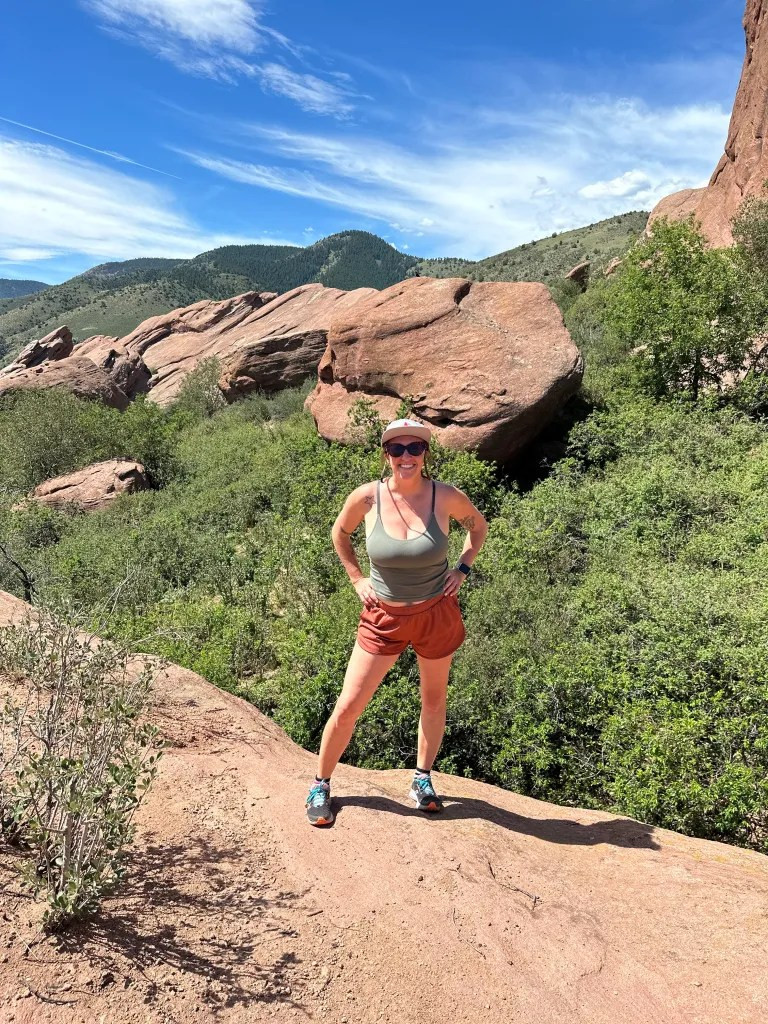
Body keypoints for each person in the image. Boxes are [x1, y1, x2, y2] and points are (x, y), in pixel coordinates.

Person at [306, 417, 489, 826]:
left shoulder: (445, 497)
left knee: (434, 699)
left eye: (415, 448)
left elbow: (478, 527)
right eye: (396, 449)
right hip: (383, 616)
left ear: (426, 454)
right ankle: (321, 783)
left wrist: (462, 568)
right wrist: (356, 578)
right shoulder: (367, 498)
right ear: (386, 455)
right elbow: (340, 533)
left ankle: (422, 779)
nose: (406, 456)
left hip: (435, 613)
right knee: (350, 704)